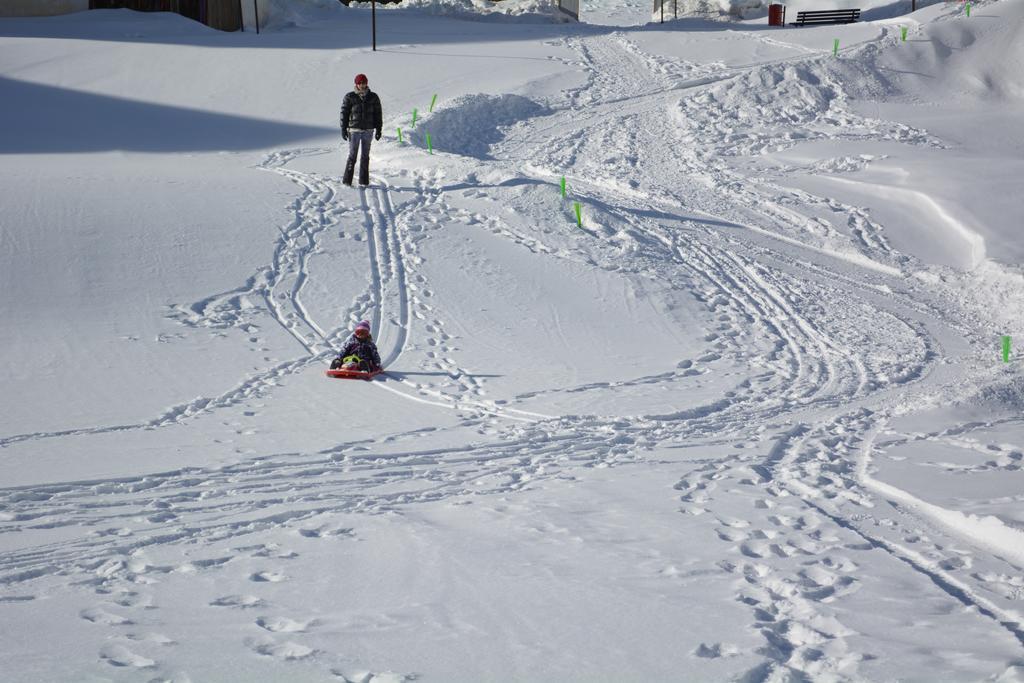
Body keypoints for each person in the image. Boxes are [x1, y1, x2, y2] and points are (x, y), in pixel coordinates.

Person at [340, 74, 383, 187]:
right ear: (356, 84)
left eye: (364, 83)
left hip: (368, 130)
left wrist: (379, 129)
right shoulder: (350, 96)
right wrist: (343, 129)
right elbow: (344, 114)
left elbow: (378, 114)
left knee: (365, 156)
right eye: (360, 83)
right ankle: (347, 181)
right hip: (354, 130)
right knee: (352, 155)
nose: (362, 85)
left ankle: (364, 181)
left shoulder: (373, 97)